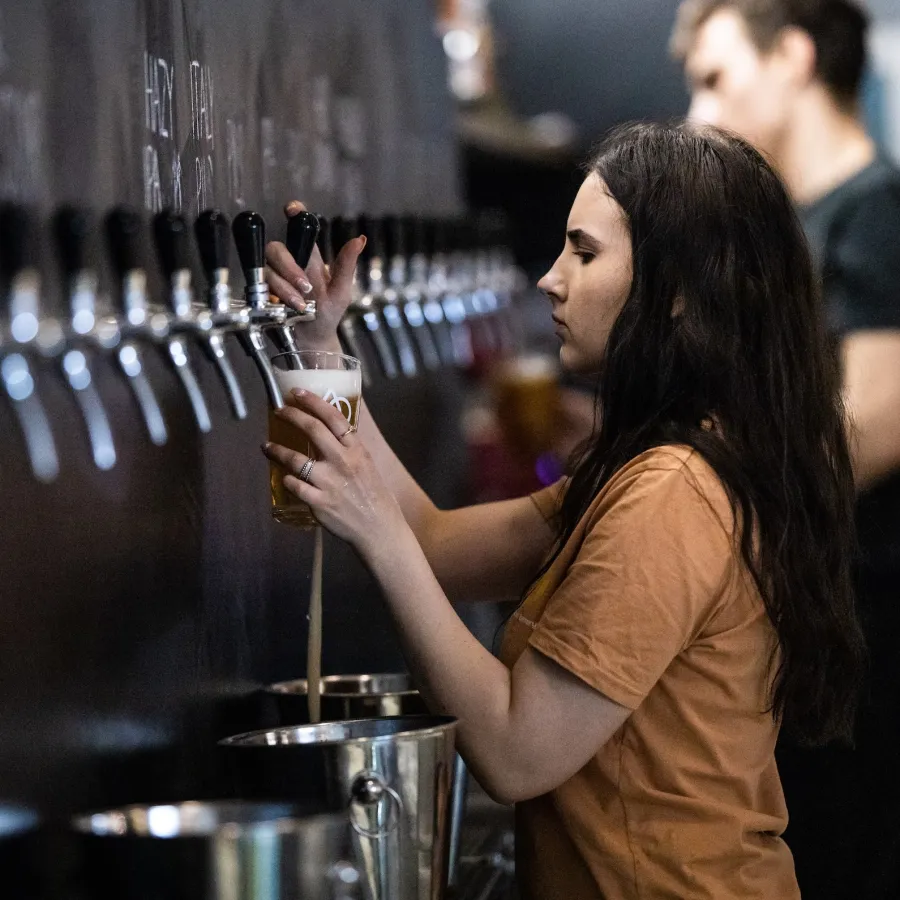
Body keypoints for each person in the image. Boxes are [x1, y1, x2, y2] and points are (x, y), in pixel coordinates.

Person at [262, 122, 864, 899]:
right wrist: (320, 349)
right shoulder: (651, 466)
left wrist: (375, 529)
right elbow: (435, 544)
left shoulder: (674, 495)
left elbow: (517, 755)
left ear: (679, 290)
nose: (550, 279)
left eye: (584, 253)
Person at [672, 3, 900, 896]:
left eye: (716, 78)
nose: (698, 112)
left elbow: (873, 428)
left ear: (794, 57)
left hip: (868, 631)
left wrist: (692, 493)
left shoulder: (876, 214)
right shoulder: (798, 223)